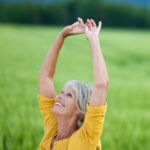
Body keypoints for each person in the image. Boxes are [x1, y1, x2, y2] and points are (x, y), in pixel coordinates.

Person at [38, 17, 109, 150]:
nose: (59, 96)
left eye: (69, 95)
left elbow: (101, 85)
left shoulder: (85, 141)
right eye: (62, 92)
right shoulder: (53, 127)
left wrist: (93, 40)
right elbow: (45, 76)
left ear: (81, 110)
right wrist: (62, 36)